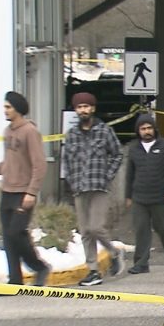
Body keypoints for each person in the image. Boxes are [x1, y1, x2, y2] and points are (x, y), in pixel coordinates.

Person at [0, 92, 51, 287]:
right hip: (7, 191)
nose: (5, 111)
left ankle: (39, 267)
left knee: (17, 232)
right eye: (5, 107)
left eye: (8, 107)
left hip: (23, 192)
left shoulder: (30, 131)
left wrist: (31, 192)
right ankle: (15, 280)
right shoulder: (8, 131)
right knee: (9, 238)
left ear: (18, 109)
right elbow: (9, 161)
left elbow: (39, 165)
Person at [63, 91, 126, 286]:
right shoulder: (72, 135)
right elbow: (66, 160)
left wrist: (107, 175)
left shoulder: (104, 131)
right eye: (79, 107)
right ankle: (93, 270)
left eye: (86, 106)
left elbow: (117, 154)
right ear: (76, 110)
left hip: (99, 187)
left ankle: (114, 252)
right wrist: (72, 181)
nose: (83, 110)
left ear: (93, 108)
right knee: (85, 231)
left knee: (96, 227)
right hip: (80, 188)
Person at [125, 113, 164, 273]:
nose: (147, 131)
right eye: (143, 129)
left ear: (154, 129)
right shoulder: (134, 148)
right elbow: (130, 174)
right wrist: (128, 196)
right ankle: (141, 264)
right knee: (141, 231)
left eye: (149, 128)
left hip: (161, 198)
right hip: (139, 198)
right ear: (138, 131)